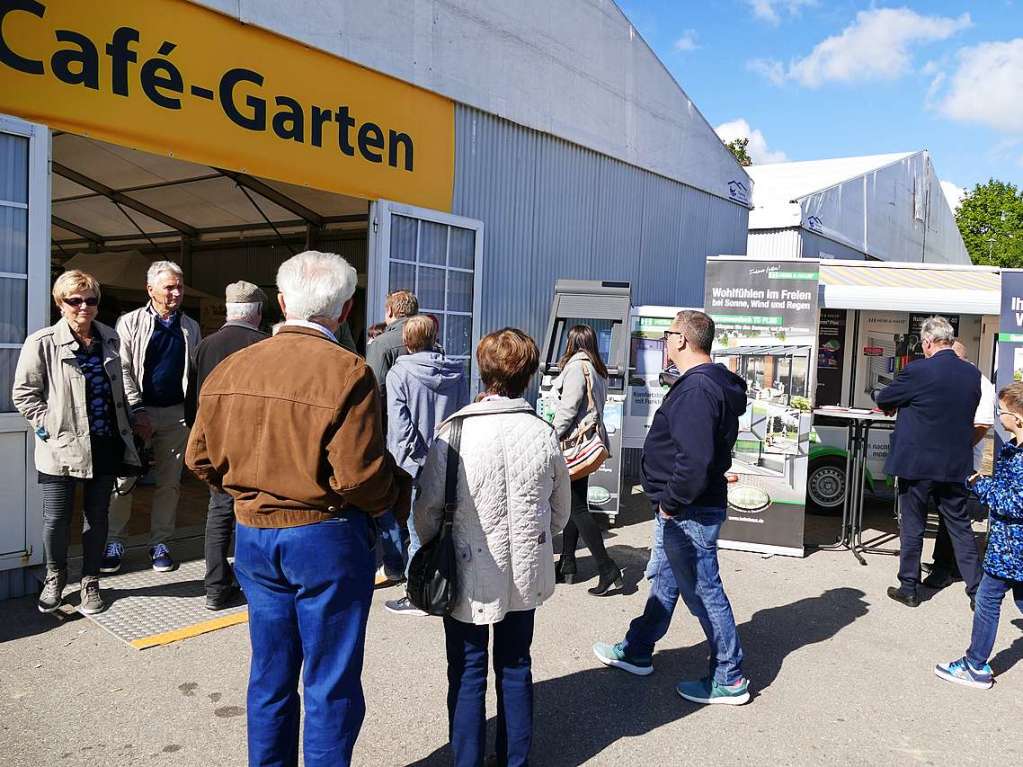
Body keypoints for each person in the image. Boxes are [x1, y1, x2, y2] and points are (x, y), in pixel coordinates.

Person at [186, 251, 411, 767]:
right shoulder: (347, 371)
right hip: (325, 535)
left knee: (270, 674)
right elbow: (360, 478)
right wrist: (395, 495)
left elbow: (199, 458)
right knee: (330, 681)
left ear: (282, 303)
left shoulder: (231, 366)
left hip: (255, 534)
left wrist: (245, 490)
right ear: (347, 309)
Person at [414, 328, 571, 767]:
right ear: (530, 374)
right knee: (516, 665)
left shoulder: (455, 431)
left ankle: (465, 759)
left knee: (466, 671)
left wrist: (430, 545)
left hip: (466, 570)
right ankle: (513, 760)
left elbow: (426, 511)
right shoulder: (541, 432)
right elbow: (560, 511)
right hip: (525, 568)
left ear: (483, 371)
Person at [593, 310, 753, 706]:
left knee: (704, 591)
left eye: (668, 335)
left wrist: (669, 505)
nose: (666, 341)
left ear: (682, 340)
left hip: (688, 510)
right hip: (687, 508)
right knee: (665, 580)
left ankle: (729, 676)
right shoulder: (708, 382)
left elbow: (694, 460)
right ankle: (637, 647)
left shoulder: (699, 388)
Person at [12, 270, 141, 615]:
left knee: (97, 517)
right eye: (75, 300)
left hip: (104, 444)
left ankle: (90, 580)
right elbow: (24, 395)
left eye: (91, 300)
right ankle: (55, 576)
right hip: (60, 449)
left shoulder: (110, 338)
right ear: (60, 303)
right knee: (56, 519)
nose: (84, 306)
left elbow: (121, 387)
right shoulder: (41, 343)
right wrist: (50, 426)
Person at [874, 316, 982, 609]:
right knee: (960, 527)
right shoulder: (971, 374)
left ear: (927, 342)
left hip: (917, 463)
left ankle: (908, 588)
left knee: (913, 526)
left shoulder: (918, 369)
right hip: (954, 464)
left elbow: (885, 398)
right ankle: (977, 593)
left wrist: (900, 403)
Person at [102, 260, 201, 574]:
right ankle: (114, 541)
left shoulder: (190, 326)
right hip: (136, 415)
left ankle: (161, 543)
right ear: (151, 290)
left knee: (169, 484)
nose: (175, 293)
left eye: (179, 287)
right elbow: (123, 370)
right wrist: (137, 410)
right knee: (125, 480)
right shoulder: (129, 322)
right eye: (169, 287)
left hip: (176, 415)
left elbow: (194, 373)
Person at [935, 383, 1023, 689]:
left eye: (1003, 412)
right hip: (1011, 546)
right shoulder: (1016, 449)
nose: (999, 417)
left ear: (1019, 418)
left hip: (1011, 547)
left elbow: (1016, 502)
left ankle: (974, 665)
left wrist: (979, 485)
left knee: (987, 598)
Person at [381, 315, 470, 615]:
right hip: (452, 459)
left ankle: (417, 592)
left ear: (407, 341)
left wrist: (416, 462)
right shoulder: (456, 372)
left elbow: (400, 425)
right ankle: (448, 586)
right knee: (449, 525)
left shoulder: (399, 373)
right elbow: (462, 418)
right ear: (435, 337)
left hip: (416, 463)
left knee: (417, 528)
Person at [192, 281, 269, 611]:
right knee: (254, 513)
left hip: (216, 442)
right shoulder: (267, 345)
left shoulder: (206, 345)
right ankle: (254, 582)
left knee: (219, 512)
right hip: (256, 443)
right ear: (258, 312)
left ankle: (214, 587)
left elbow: (191, 399)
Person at [550, 324, 622, 595]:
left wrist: (550, 436)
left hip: (573, 445)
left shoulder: (576, 367)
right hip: (589, 444)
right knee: (573, 503)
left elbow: (568, 409)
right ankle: (568, 563)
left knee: (577, 507)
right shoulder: (596, 367)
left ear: (571, 342)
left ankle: (607, 567)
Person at [923, 339, 995, 590]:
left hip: (963, 461)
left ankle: (947, 570)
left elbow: (982, 426)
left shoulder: (979, 382)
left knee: (953, 517)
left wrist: (960, 448)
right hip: (945, 458)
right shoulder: (959, 378)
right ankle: (948, 566)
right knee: (949, 513)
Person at [366, 289, 418, 400]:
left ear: (389, 311)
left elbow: (375, 389)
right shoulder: (433, 343)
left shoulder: (381, 344)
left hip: (393, 414)